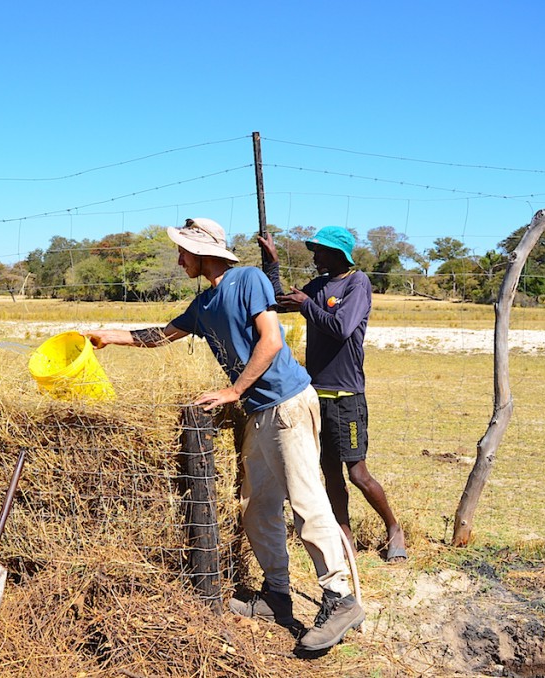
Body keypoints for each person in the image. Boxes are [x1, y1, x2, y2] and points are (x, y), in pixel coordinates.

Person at [87, 218, 365, 652]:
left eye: (183, 251)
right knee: (257, 508)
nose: (179, 259)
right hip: (260, 411)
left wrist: (233, 390)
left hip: (287, 403)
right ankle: (277, 596)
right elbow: (160, 335)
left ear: (203, 251)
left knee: (307, 504)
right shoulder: (204, 303)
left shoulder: (247, 279)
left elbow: (270, 340)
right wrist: (106, 336)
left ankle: (340, 598)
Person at [259, 226, 407, 561]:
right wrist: (273, 265)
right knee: (330, 473)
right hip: (315, 394)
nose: (315, 257)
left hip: (346, 395)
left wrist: (307, 305)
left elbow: (341, 328)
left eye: (320, 252)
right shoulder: (319, 285)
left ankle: (394, 528)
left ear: (338, 254)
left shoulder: (357, 283)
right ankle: (345, 535)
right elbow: (279, 302)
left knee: (357, 473)